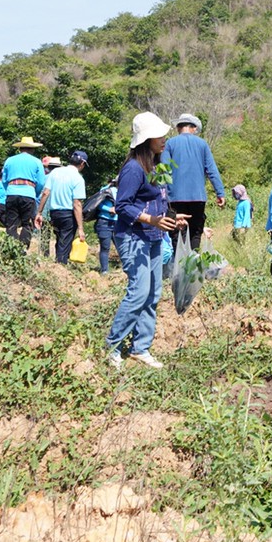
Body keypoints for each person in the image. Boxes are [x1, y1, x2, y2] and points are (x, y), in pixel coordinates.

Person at [106, 112, 187, 370]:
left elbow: (159, 202)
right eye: (158, 136)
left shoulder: (157, 166)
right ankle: (112, 346)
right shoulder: (133, 169)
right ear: (145, 140)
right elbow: (122, 205)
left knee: (153, 294)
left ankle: (140, 348)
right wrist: (150, 220)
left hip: (152, 237)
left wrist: (172, 218)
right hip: (132, 237)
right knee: (138, 293)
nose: (164, 139)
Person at [161, 113, 225, 251]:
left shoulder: (169, 144)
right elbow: (212, 170)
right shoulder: (202, 144)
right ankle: (193, 264)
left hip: (175, 197)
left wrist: (162, 196)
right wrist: (220, 193)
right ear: (194, 128)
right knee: (195, 232)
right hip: (198, 197)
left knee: (177, 232)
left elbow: (163, 171)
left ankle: (179, 267)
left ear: (179, 127)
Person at [0, 136, 48, 246]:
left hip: (11, 192)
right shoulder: (36, 162)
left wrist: (9, 190)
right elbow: (40, 182)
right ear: (32, 149)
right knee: (28, 224)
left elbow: (4, 180)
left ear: (20, 148)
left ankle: (12, 247)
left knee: (11, 224)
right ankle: (23, 248)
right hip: (28, 194)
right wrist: (35, 193)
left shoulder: (9, 160)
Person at [43, 150, 89, 265]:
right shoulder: (78, 178)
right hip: (68, 215)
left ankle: (56, 264)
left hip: (54, 213)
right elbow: (77, 204)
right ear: (82, 164)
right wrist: (81, 228)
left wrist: (39, 212)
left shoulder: (55, 172)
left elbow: (45, 193)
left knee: (59, 240)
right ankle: (60, 266)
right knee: (65, 242)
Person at [93, 181, 118, 273]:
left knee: (121, 247)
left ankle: (125, 270)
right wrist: (109, 209)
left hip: (119, 223)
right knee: (105, 247)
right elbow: (97, 204)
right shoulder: (105, 190)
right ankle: (104, 271)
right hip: (104, 222)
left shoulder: (125, 191)